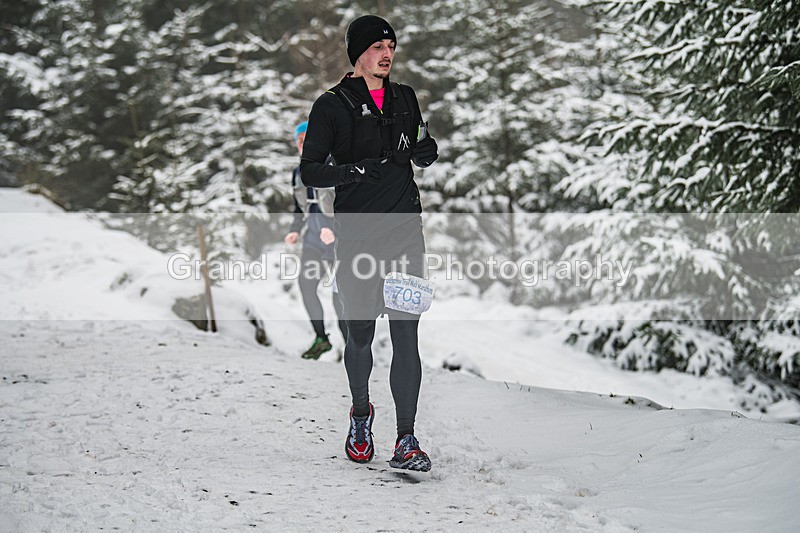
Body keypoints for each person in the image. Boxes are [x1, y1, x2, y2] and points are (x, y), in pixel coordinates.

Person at [300, 15, 439, 472]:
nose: (386, 53)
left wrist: (426, 149)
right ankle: (361, 414)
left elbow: (420, 139)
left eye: (391, 46)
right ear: (358, 54)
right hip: (358, 235)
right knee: (360, 335)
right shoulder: (332, 105)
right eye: (377, 46)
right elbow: (311, 170)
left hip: (404, 232)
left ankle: (406, 438)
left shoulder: (405, 98)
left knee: (406, 334)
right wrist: (352, 172)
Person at [284, 121, 347, 360]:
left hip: (337, 243)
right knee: (306, 286)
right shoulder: (298, 173)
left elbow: (349, 205)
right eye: (299, 141)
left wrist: (336, 231)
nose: (303, 144)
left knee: (339, 295)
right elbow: (299, 208)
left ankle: (352, 346)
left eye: (307, 139)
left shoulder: (334, 165)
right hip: (312, 241)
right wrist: (294, 229)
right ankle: (321, 338)